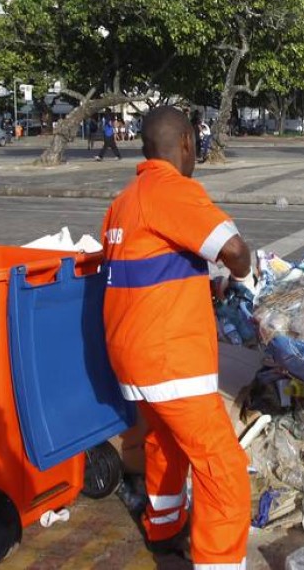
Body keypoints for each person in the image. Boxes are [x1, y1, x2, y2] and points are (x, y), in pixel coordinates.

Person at [99, 106, 255, 566]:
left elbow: (149, 264)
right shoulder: (173, 191)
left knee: (164, 443)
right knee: (221, 467)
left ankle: (163, 529)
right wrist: (240, 272)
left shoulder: (123, 202)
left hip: (131, 355)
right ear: (187, 141)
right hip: (170, 359)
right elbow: (236, 251)